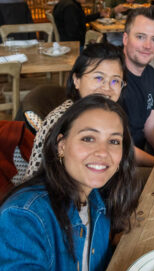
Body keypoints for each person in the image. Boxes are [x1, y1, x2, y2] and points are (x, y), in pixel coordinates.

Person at [0, 95, 141, 271]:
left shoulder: (98, 201)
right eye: (88, 138)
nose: (103, 152)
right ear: (62, 145)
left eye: (114, 141)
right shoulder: (24, 219)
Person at [24, 42, 126, 181]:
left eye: (115, 81)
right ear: (76, 80)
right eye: (98, 78)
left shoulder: (106, 116)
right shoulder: (63, 120)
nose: (107, 88)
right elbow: (51, 180)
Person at [120, 7, 154, 167]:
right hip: (117, 167)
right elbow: (115, 146)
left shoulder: (151, 74)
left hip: (141, 156)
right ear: (125, 39)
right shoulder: (110, 79)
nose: (148, 46)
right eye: (140, 37)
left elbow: (152, 129)